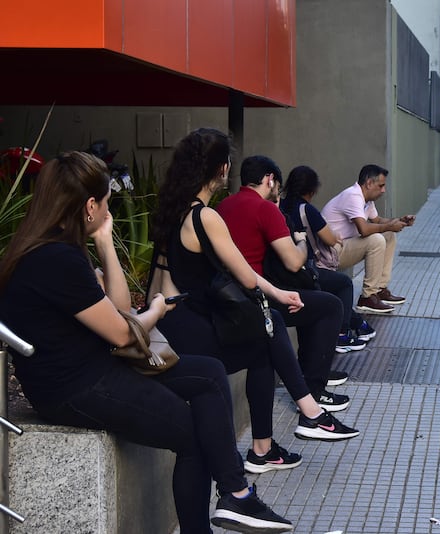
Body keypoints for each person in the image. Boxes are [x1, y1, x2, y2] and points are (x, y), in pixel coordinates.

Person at [0, 151, 293, 533]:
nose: (108, 212)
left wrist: (105, 243)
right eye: (106, 204)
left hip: (92, 369)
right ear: (90, 205)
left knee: (208, 372)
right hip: (76, 387)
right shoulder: (56, 259)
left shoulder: (52, 247)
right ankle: (233, 498)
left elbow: (119, 310)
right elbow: (124, 331)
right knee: (193, 434)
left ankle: (236, 495)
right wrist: (156, 309)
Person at [150, 129, 360, 474]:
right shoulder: (206, 216)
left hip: (176, 322)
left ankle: (265, 449)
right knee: (269, 326)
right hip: (195, 330)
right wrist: (280, 294)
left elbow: (162, 281)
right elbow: (245, 276)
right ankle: (309, 412)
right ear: (221, 169)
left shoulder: (174, 213)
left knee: (265, 340)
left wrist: (157, 314)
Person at [216, 155, 353, 410]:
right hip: (257, 297)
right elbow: (292, 262)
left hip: (228, 296)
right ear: (269, 180)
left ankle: (307, 378)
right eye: (276, 183)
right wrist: (302, 241)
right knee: (330, 306)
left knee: (307, 300)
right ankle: (314, 389)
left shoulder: (224, 206)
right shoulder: (265, 209)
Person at [280, 165, 377, 352]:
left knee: (334, 290)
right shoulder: (307, 210)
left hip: (284, 270)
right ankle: (342, 335)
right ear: (312, 190)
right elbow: (330, 239)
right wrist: (337, 237)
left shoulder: (281, 206)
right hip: (306, 268)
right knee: (344, 284)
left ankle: (360, 324)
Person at [321, 164, 414, 314]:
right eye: (381, 186)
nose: (383, 190)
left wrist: (399, 220)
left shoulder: (367, 201)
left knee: (388, 236)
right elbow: (363, 230)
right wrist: (390, 226)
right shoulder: (353, 196)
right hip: (329, 252)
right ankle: (368, 297)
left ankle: (379, 289)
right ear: (369, 183)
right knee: (376, 240)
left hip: (343, 246)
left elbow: (377, 221)